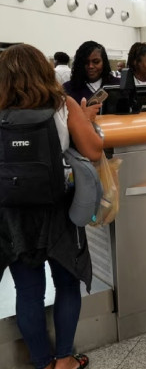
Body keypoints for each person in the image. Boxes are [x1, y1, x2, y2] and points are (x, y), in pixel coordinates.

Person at [0, 44, 103, 369]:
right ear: (45, 71)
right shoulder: (63, 105)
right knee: (66, 283)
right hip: (58, 210)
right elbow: (94, 151)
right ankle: (65, 360)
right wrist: (85, 121)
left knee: (28, 291)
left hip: (11, 214)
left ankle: (42, 363)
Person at [63, 41, 119, 106]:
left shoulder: (117, 85)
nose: (90, 66)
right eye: (86, 62)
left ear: (104, 62)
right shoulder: (68, 89)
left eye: (96, 62)